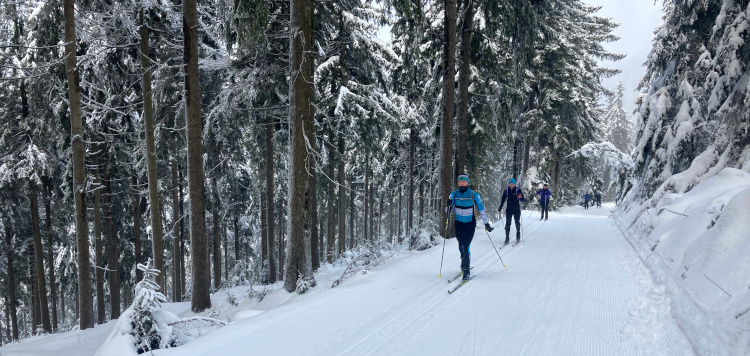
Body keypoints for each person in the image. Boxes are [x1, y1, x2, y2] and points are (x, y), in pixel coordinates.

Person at [445, 174, 492, 281]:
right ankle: (464, 261)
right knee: (460, 245)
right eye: (460, 181)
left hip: (470, 223)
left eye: (463, 181)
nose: (461, 183)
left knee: (466, 245)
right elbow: (447, 211)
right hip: (458, 223)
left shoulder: (473, 194)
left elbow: (481, 210)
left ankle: (466, 270)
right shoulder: (454, 194)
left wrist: (486, 223)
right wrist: (448, 205)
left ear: (467, 182)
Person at [498, 178, 524, 245]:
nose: (511, 185)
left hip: (516, 209)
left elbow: (523, 199)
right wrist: (500, 207)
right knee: (508, 223)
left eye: (512, 184)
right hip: (509, 209)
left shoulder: (518, 190)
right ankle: (507, 238)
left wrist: (520, 197)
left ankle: (518, 237)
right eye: (510, 184)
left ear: (514, 184)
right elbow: (503, 200)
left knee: (517, 223)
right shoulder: (506, 190)